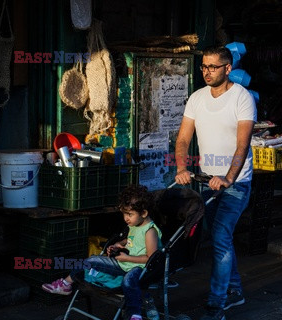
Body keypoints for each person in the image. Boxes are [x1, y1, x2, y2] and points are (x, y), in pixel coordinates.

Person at [174, 45, 257, 320]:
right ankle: (235, 292)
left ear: (228, 68)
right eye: (204, 67)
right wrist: (182, 167)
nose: (206, 72)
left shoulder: (241, 98)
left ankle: (216, 304)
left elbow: (242, 145)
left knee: (221, 237)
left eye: (212, 67)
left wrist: (229, 177)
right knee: (221, 239)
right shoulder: (197, 98)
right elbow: (184, 138)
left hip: (236, 183)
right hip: (207, 181)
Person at [42, 185, 162, 320]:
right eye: (124, 213)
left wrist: (127, 257)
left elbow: (151, 258)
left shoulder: (150, 231)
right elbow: (131, 239)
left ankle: (135, 314)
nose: (125, 218)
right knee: (91, 260)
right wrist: (119, 244)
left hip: (141, 269)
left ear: (144, 213)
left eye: (129, 214)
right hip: (124, 263)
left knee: (129, 280)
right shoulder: (135, 224)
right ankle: (66, 283)